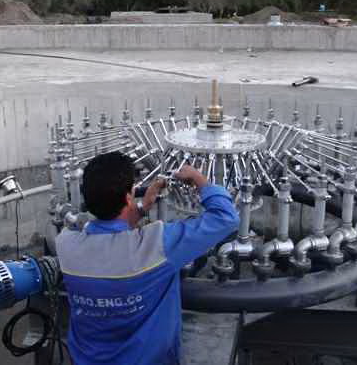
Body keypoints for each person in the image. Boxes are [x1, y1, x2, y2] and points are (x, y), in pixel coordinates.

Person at [55, 152, 239, 364]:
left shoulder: (66, 244)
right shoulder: (157, 246)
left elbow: (102, 232)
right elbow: (226, 218)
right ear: (128, 197)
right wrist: (199, 179)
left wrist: (141, 208)